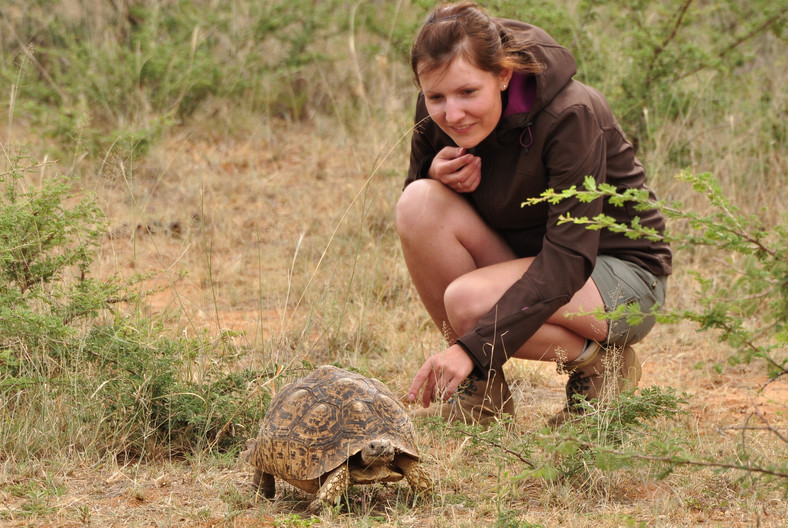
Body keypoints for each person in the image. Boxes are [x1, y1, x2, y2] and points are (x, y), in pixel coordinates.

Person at [397, 1, 672, 426]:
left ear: (503, 74)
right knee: (417, 203)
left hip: (616, 274)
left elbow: (567, 261)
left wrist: (470, 347)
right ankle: (482, 396)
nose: (452, 114)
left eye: (468, 92)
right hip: (528, 260)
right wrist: (433, 171)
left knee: (468, 302)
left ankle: (598, 367)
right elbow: (420, 213)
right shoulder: (438, 108)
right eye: (436, 97)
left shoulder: (572, 113)